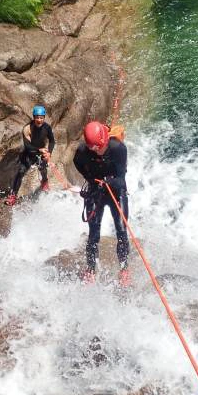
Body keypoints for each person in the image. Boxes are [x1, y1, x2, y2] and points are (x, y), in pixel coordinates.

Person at [73, 121, 130, 286]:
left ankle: (124, 268)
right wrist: (90, 179)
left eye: (99, 147)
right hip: (96, 192)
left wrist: (107, 182)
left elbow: (120, 180)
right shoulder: (83, 151)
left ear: (105, 141)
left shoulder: (118, 149)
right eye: (93, 148)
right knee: (93, 233)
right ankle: (90, 269)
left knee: (121, 230)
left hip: (116, 193)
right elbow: (78, 163)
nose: (97, 151)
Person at [5, 105, 55, 206]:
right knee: (21, 172)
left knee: (43, 168)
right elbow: (27, 146)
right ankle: (13, 195)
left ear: (44, 118)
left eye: (41, 117)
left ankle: (44, 182)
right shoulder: (27, 128)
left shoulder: (47, 127)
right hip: (29, 153)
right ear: (33, 117)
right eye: (37, 117)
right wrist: (39, 150)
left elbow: (52, 141)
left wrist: (49, 152)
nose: (39, 120)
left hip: (41, 153)